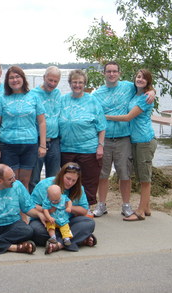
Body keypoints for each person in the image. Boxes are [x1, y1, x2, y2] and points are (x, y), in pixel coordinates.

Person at [92, 61, 155, 217]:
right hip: (105, 139)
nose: (112, 74)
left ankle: (126, 205)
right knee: (103, 174)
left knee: (125, 173)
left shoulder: (128, 87)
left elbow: (145, 86)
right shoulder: (97, 93)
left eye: (115, 71)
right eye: (109, 71)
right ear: (104, 73)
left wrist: (153, 91)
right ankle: (102, 205)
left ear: (119, 73)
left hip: (124, 138)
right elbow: (91, 112)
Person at [0, 65, 47, 190]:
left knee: (25, 181)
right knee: (11, 182)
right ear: (7, 81)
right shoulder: (1, 99)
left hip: (30, 145)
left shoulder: (34, 97)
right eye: (11, 78)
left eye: (17, 77)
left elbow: (42, 122)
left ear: (23, 79)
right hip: (8, 146)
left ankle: (23, 209)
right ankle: (12, 209)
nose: (15, 80)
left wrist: (42, 145)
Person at [59, 69, 106, 205]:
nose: (77, 85)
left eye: (80, 82)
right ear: (70, 83)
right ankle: (69, 207)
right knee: (68, 181)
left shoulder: (92, 101)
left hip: (88, 149)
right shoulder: (63, 100)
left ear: (84, 84)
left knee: (89, 181)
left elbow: (102, 126)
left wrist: (100, 146)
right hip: (66, 149)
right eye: (74, 82)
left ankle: (87, 208)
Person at [30, 162, 97, 254]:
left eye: (74, 180)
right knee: (35, 230)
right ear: (61, 175)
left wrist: (67, 206)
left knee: (89, 223)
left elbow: (84, 210)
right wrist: (46, 211)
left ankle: (58, 244)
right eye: (68, 178)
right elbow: (31, 205)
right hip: (48, 222)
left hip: (66, 222)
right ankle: (77, 238)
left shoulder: (79, 188)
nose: (70, 183)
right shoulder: (45, 185)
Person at [29, 66, 62, 193]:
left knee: (53, 178)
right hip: (37, 140)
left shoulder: (58, 93)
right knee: (34, 178)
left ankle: (51, 204)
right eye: (50, 80)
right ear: (44, 78)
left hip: (54, 141)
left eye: (55, 81)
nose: (52, 84)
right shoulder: (33, 94)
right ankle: (33, 206)